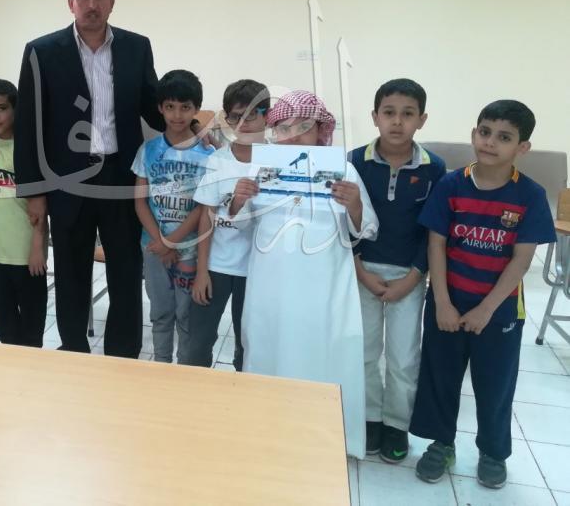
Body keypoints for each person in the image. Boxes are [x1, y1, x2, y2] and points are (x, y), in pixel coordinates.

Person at [15, 0, 164, 357]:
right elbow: (29, 125)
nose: (92, 4)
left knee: (125, 272)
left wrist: (192, 131)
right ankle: (74, 350)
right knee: (71, 274)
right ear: (71, 3)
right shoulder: (42, 51)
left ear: (111, 3)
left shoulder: (136, 47)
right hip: (67, 181)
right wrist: (34, 191)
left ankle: (123, 355)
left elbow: (153, 106)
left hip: (120, 176)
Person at [410, 100, 555, 489]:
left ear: (522, 147)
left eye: (504, 137)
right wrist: (442, 301)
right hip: (448, 301)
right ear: (474, 134)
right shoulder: (451, 185)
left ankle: (493, 452)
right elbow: (436, 245)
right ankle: (441, 444)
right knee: (440, 376)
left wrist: (487, 309)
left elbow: (522, 261)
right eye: (485, 132)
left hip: (500, 309)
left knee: (495, 384)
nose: (490, 142)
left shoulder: (530, 195)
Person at [231, 90, 378, 458]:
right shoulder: (260, 169)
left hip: (324, 286)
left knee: (323, 354)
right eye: (284, 128)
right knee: (267, 348)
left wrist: (354, 204)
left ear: (320, 130)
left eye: (304, 127)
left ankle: (323, 438)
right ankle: (266, 429)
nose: (294, 136)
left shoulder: (344, 170)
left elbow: (367, 228)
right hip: (271, 284)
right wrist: (238, 200)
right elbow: (239, 224)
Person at [349, 79, 446, 462]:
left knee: (403, 356)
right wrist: (360, 270)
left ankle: (396, 424)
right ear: (375, 116)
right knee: (364, 350)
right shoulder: (354, 162)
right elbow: (344, 221)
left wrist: (414, 277)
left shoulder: (434, 168)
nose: (397, 121)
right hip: (363, 271)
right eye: (388, 113)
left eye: (408, 114)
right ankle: (370, 417)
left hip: (410, 275)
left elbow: (433, 231)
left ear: (422, 120)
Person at [185, 79, 271, 370]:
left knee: (248, 346)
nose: (243, 123)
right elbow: (206, 217)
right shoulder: (218, 161)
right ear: (227, 118)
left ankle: (243, 393)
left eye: (252, 114)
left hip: (257, 271)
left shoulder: (278, 162)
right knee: (197, 344)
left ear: (267, 116)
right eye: (236, 116)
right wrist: (201, 272)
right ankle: (198, 393)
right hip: (217, 267)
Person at [132, 70, 213, 363]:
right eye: (170, 107)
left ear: (196, 109)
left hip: (190, 250)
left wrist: (172, 242)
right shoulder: (149, 150)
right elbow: (140, 202)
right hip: (154, 248)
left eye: (185, 107)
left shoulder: (208, 155)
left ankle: (184, 374)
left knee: (186, 315)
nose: (177, 115)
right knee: (161, 314)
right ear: (160, 108)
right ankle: (161, 368)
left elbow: (203, 207)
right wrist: (161, 242)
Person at [0, 79, 49, 348]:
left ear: (15, 108)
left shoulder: (28, 148)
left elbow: (40, 204)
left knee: (32, 331)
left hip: (28, 255)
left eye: (1, 108)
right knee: (6, 330)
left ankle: (31, 372)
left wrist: (38, 247)